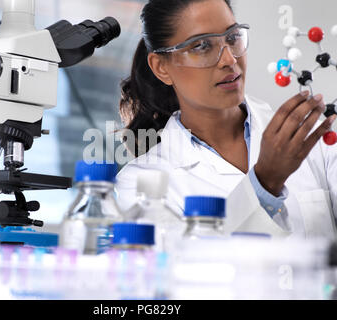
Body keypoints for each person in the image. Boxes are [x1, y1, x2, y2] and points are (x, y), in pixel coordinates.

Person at [115, 0, 337, 239]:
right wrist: (264, 182)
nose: (229, 60)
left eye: (232, 38)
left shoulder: (313, 135)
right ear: (161, 67)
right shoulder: (141, 183)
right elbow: (187, 270)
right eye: (201, 46)